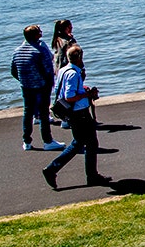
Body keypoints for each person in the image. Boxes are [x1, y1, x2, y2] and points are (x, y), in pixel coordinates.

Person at [43, 44, 110, 188]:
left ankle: (90, 175)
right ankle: (53, 169)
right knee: (85, 143)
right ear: (79, 57)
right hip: (79, 114)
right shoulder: (74, 73)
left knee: (82, 143)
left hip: (74, 114)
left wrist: (83, 89)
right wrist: (87, 94)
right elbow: (69, 96)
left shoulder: (63, 70)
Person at [12, 24, 64, 151]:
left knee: (28, 113)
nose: (41, 33)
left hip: (26, 86)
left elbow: (13, 71)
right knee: (44, 113)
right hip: (41, 86)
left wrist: (24, 80)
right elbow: (48, 69)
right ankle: (47, 141)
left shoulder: (17, 51)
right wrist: (50, 84)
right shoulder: (39, 50)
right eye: (39, 32)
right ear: (36, 35)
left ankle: (27, 141)